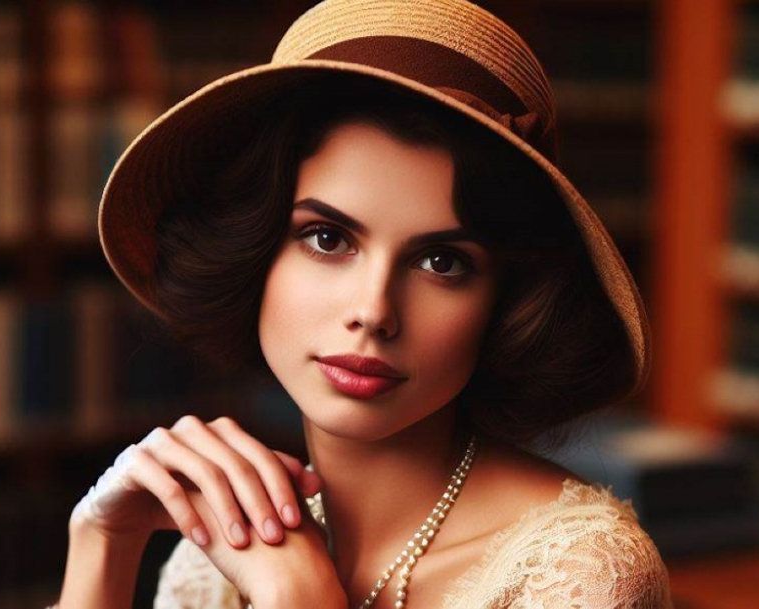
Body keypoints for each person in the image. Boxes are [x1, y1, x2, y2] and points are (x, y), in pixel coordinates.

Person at [52, 0, 674, 607]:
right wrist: (103, 544)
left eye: (442, 262)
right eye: (327, 239)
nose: (374, 311)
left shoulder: (582, 578)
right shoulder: (214, 553)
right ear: (254, 249)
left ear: (506, 300)